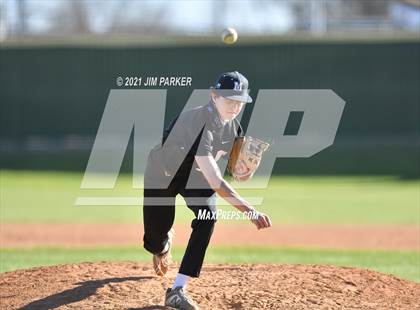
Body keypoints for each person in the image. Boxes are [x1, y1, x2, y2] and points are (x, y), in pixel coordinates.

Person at [142, 71, 272, 310]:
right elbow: (215, 181)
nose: (234, 106)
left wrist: (241, 171)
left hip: (195, 178)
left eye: (239, 101)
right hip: (162, 176)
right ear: (214, 96)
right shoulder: (200, 124)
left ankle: (178, 288)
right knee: (154, 243)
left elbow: (231, 169)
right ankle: (164, 245)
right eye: (229, 99)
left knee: (208, 216)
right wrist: (249, 211)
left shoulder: (234, 127)